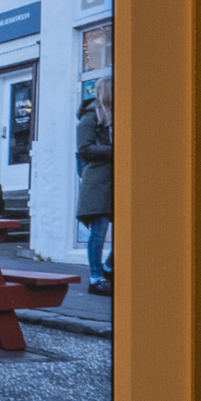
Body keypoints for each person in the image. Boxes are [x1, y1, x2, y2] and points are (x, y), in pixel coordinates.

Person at [76, 76, 114, 297]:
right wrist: (117, 149)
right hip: (98, 181)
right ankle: (96, 278)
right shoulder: (91, 117)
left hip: (116, 181)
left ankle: (108, 268)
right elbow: (85, 149)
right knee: (99, 231)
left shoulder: (117, 116)